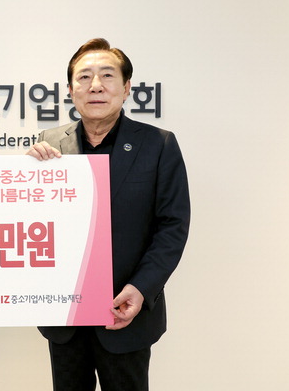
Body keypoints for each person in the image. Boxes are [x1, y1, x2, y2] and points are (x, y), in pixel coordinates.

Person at [27, 38, 190, 391]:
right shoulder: (49, 143)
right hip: (66, 316)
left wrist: (141, 288)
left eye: (107, 75)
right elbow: (33, 225)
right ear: (70, 90)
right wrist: (27, 176)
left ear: (127, 87)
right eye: (84, 77)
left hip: (125, 310)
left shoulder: (158, 144)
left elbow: (172, 227)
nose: (96, 85)